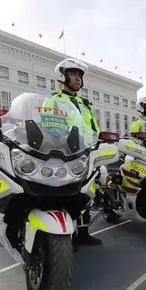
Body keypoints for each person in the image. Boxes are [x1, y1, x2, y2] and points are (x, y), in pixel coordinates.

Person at [50, 58, 101, 246]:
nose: (78, 78)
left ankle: (84, 233)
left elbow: (94, 128)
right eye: (73, 74)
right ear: (62, 76)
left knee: (87, 192)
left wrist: (98, 144)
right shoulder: (53, 100)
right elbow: (49, 127)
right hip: (64, 153)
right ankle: (66, 235)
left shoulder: (85, 103)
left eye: (80, 75)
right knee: (65, 193)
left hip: (87, 152)